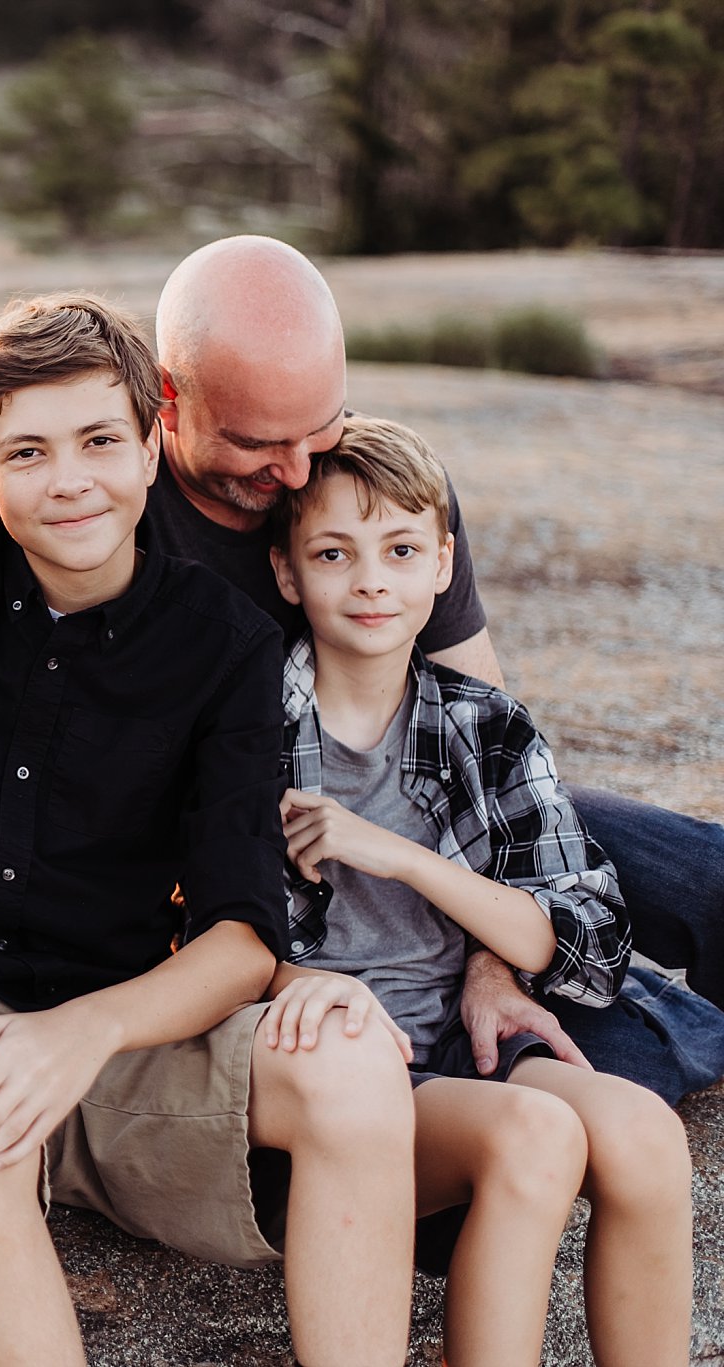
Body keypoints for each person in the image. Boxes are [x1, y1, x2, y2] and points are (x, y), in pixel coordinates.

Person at [0, 294, 419, 1367]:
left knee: (353, 1064)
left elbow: (242, 933)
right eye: (27, 451)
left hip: (118, 1032)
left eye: (101, 440)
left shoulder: (227, 645)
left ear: (153, 445)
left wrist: (82, 1031)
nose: (69, 479)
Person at [146, 234, 724, 1102]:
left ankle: (608, 995)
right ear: (168, 400)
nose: (299, 471)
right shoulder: (123, 510)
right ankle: (664, 1021)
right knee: (614, 1075)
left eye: (320, 425)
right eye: (261, 443)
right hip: (281, 838)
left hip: (430, 805)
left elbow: (485, 731)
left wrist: (494, 966)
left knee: (700, 872)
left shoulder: (363, 477)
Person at [261, 414, 691, 1363]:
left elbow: (585, 930)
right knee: (536, 1137)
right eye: (335, 552)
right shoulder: (249, 726)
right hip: (345, 1086)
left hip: (466, 1044)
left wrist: (404, 856)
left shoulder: (484, 725)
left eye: (402, 549)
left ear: (443, 563)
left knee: (647, 1134)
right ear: (289, 573)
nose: (372, 578)